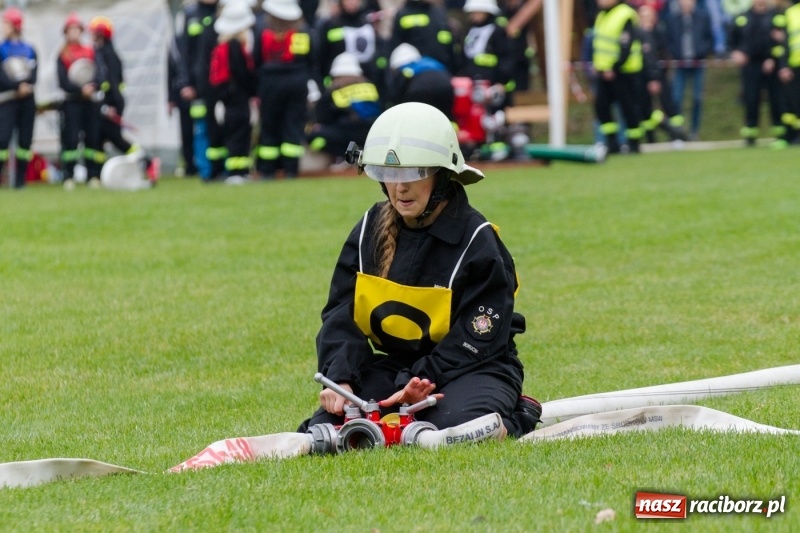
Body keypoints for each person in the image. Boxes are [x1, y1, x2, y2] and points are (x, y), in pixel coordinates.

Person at [296, 102, 542, 439]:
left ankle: (517, 415)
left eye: (414, 173)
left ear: (441, 175)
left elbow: (476, 340)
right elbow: (341, 312)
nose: (400, 187)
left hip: (473, 368)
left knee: (450, 427)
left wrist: (418, 383)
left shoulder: (478, 241)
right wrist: (341, 377)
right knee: (327, 426)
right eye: (389, 173)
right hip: (398, 369)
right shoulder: (369, 230)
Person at [253, 0, 314, 178]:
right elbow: (310, 58)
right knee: (293, 125)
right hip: (297, 81)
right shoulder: (303, 32)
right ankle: (290, 169)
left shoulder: (262, 31)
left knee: (269, 125)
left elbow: (257, 58)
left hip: (269, 82)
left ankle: (267, 169)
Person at [209, 0, 257, 183]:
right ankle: (236, 173)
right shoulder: (235, 47)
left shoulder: (222, 46)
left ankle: (240, 171)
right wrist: (253, 90)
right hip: (236, 97)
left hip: (227, 96)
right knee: (239, 134)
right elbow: (242, 72)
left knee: (235, 133)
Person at [729, 0, 786, 146]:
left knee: (776, 100)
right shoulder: (742, 17)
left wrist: (772, 58)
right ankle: (750, 134)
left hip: (771, 65)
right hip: (750, 65)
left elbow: (781, 42)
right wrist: (736, 53)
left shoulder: (776, 16)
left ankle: (780, 134)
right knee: (751, 99)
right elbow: (732, 39)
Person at [307, 52, 381, 164]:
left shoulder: (334, 90)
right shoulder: (371, 86)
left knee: (314, 136)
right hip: (373, 132)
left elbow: (323, 117)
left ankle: (344, 157)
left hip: (347, 133)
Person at [592, 0, 645, 154]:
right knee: (601, 106)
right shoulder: (602, 15)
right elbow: (599, 43)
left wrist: (614, 67)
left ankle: (634, 143)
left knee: (628, 107)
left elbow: (625, 45)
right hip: (604, 71)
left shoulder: (625, 14)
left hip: (624, 71)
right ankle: (612, 142)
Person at [58, 13, 104, 190]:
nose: (74, 33)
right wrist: (79, 90)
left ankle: (93, 174)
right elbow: (63, 80)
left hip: (90, 102)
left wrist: (92, 87)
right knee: (71, 139)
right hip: (72, 102)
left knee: (92, 138)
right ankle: (68, 175)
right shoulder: (62, 55)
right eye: (71, 30)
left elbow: (99, 73)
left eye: (77, 29)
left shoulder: (90, 51)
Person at [175, 0, 221, 179]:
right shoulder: (190, 14)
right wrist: (185, 82)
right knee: (202, 127)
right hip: (199, 85)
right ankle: (206, 170)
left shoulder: (224, 11)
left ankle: (223, 168)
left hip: (223, 83)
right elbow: (184, 53)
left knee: (222, 125)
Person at [665, 0, 714, 141]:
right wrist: (674, 54)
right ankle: (677, 132)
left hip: (698, 63)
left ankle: (694, 131)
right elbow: (669, 40)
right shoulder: (672, 18)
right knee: (677, 98)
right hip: (680, 64)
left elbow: (709, 38)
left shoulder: (703, 17)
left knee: (697, 98)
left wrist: (702, 52)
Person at [0, 7, 37, 189]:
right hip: (7, 100)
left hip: (27, 100)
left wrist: (25, 86)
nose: (3, 27)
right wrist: (16, 86)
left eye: (5, 23)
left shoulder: (29, 49)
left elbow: (33, 73)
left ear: (15, 26)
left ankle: (20, 181)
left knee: (24, 142)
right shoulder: (1, 49)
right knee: (2, 139)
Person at [386, 43, 454, 118]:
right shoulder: (430, 61)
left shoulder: (404, 69)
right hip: (446, 86)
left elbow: (398, 91)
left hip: (420, 91)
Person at [389, 0, 456, 73]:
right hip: (415, 73)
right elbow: (396, 47)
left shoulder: (440, 13)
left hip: (443, 71)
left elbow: (450, 45)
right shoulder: (404, 14)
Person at [775, 0, 799, 147]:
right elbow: (784, 44)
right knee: (791, 103)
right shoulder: (790, 12)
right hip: (794, 65)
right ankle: (791, 135)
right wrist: (784, 66)